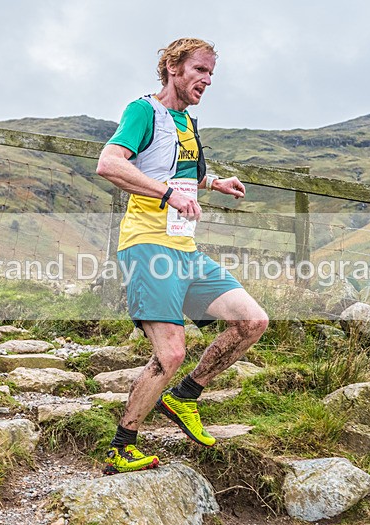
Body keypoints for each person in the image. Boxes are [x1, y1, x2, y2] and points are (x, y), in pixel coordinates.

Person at [95, 37, 269, 475]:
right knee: (170, 353)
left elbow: (181, 169)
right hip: (149, 247)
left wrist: (215, 183)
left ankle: (185, 395)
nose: (207, 80)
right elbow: (109, 163)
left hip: (186, 251)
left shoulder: (187, 122)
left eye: (211, 74)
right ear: (173, 67)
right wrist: (167, 194)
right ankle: (122, 444)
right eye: (199, 70)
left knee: (252, 321)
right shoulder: (144, 111)